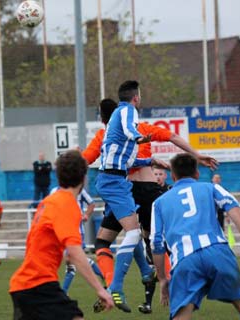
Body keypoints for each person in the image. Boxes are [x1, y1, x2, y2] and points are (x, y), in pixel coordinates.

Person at [83, 95, 218, 313]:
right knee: (152, 240)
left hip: (124, 189)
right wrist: (197, 154)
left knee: (105, 241)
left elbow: (85, 159)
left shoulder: (104, 135)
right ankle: (171, 287)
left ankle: (114, 284)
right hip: (147, 190)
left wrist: (66, 169)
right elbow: (173, 136)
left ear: (102, 118)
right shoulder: (143, 128)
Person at [151, 153, 240, 320]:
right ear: (197, 173)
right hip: (217, 252)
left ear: (173, 176)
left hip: (185, 260)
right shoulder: (211, 187)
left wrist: (162, 278)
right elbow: (231, 204)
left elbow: (156, 242)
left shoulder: (159, 202)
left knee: (181, 315)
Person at [9, 150, 114, 320]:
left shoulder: (48, 201)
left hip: (24, 284)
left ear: (58, 177)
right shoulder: (67, 204)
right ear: (84, 178)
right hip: (38, 285)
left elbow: (41, 242)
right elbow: (74, 253)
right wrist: (100, 289)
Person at [49, 185, 103, 294]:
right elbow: (50, 208)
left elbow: (91, 203)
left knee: (71, 260)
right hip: (62, 233)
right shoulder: (54, 191)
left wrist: (86, 215)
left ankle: (63, 292)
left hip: (77, 232)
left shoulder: (79, 190)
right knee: (72, 261)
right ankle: (104, 276)